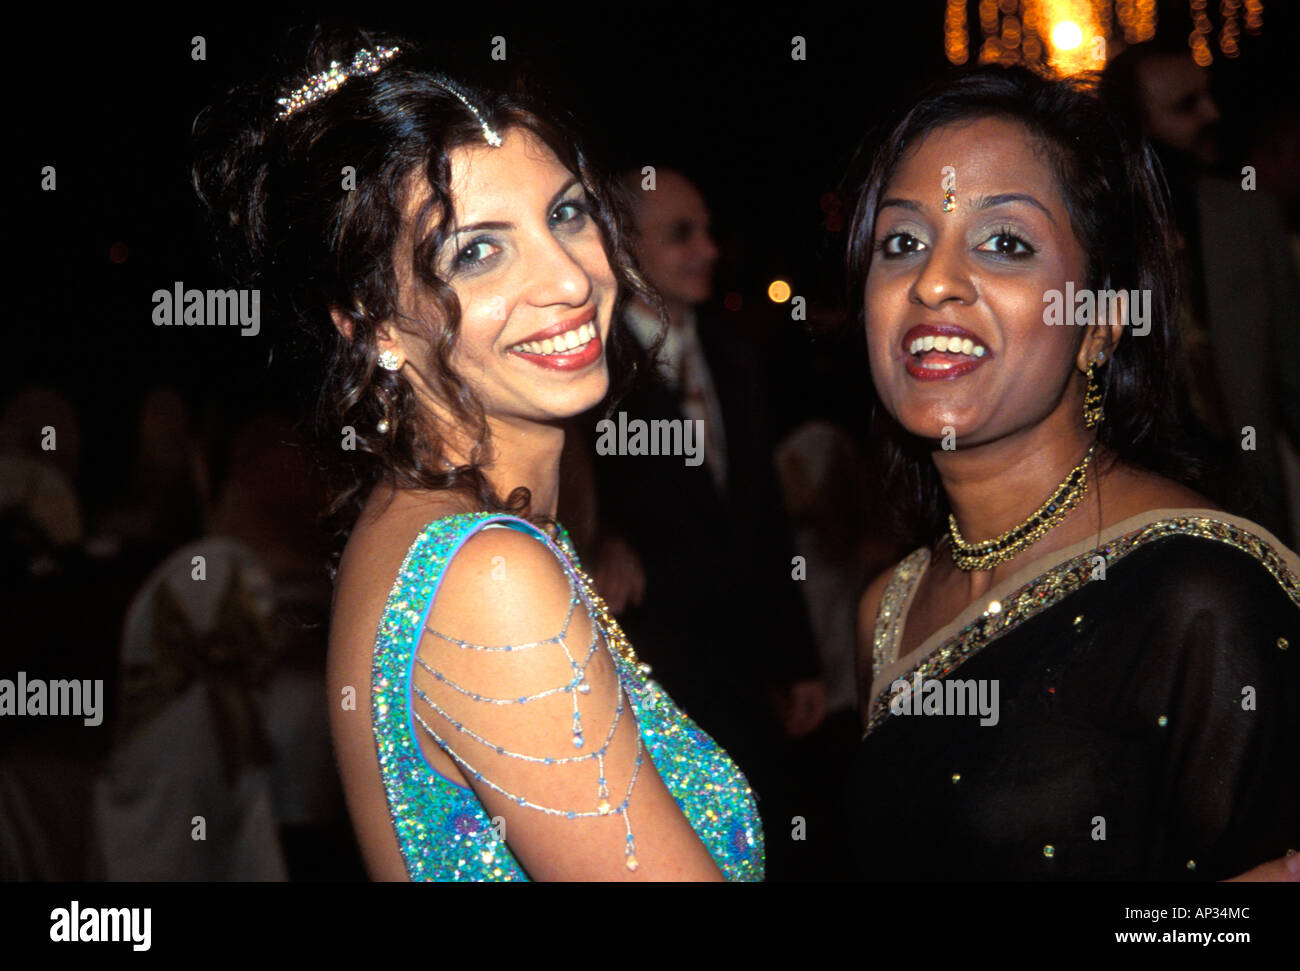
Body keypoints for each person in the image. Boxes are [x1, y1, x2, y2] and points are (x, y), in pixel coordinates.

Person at [191, 28, 763, 881]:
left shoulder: (424, 521)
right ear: (372, 318)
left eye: (566, 213)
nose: (570, 279)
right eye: (478, 251)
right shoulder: (489, 575)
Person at [845, 66, 1299, 881]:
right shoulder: (888, 609)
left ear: (1099, 322)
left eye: (1005, 244)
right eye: (902, 242)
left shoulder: (1203, 590)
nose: (933, 282)